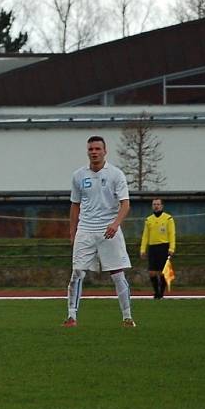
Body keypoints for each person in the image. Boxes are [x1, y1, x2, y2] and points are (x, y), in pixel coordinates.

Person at [64, 135, 135, 328]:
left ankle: (127, 317)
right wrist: (73, 230)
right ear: (87, 151)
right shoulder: (78, 175)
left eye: (97, 149)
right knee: (77, 272)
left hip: (108, 230)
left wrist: (115, 223)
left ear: (105, 151)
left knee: (117, 274)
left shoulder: (116, 174)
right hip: (86, 230)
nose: (94, 152)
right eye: (91, 149)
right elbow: (75, 205)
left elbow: (125, 204)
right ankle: (71, 316)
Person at [140, 198, 176, 299]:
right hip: (152, 247)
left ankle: (161, 293)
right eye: (154, 204)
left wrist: (172, 248)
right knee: (152, 272)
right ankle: (156, 291)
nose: (156, 206)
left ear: (162, 206)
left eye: (158, 204)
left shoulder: (168, 218)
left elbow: (172, 234)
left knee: (162, 272)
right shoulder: (148, 220)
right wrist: (143, 249)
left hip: (164, 247)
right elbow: (145, 236)